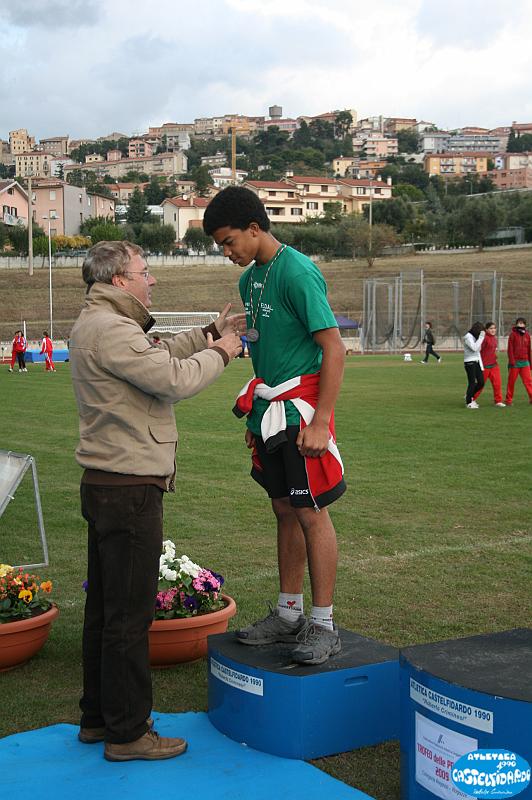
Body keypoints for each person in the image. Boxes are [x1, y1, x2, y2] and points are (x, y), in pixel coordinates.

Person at [69, 240, 244, 762]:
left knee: (106, 612)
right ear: (120, 280)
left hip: (109, 484)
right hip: (128, 489)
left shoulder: (103, 323)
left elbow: (156, 356)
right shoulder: (112, 328)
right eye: (145, 271)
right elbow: (171, 378)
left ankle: (98, 719)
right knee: (128, 617)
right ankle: (128, 734)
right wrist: (222, 351)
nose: (152, 280)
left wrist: (208, 333)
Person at [203, 186, 346, 666]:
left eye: (229, 242)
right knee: (284, 509)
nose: (227, 253)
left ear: (254, 228)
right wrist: (258, 416)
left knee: (311, 512)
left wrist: (321, 421)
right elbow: (265, 351)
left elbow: (334, 348)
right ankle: (288, 614)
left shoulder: (298, 271)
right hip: (272, 412)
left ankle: (324, 624)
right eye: (220, 246)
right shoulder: (250, 279)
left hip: (302, 412)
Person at [472, 321, 505, 407]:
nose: (493, 330)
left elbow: (491, 351)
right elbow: (478, 351)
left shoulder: (494, 338)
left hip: (494, 365)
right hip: (484, 366)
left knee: (497, 383)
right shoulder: (484, 338)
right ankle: (471, 399)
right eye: (491, 328)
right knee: (480, 384)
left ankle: (498, 401)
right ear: (486, 330)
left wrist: (494, 356)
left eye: (494, 328)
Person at [505, 317, 532, 406]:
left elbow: (529, 350)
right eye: (519, 323)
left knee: (528, 382)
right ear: (516, 324)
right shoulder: (512, 335)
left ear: (525, 325)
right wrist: (512, 361)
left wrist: (530, 363)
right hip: (515, 363)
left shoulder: (527, 335)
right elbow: (510, 349)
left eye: (522, 323)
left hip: (525, 362)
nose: (521, 325)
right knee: (511, 382)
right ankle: (508, 400)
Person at [464, 321, 485, 409]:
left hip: (476, 361)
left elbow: (478, 349)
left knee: (481, 382)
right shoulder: (468, 336)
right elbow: (474, 348)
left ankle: (469, 395)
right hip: (469, 362)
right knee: (472, 382)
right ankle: (469, 402)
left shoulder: (475, 337)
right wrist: (481, 338)